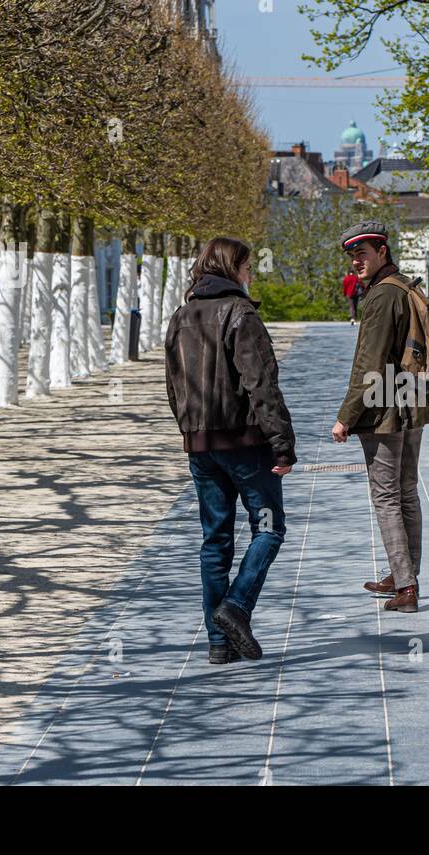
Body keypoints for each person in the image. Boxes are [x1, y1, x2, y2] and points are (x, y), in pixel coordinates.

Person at [164, 236, 295, 664]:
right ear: (231, 268)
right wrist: (282, 445)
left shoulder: (181, 317)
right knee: (269, 529)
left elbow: (173, 387)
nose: (250, 274)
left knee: (215, 541)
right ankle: (235, 607)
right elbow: (261, 384)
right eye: (247, 267)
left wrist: (191, 432)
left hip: (201, 447)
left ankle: (218, 644)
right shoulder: (240, 312)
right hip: (246, 442)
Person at [333, 221, 429, 613]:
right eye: (352, 255)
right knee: (406, 491)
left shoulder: (381, 296)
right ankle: (403, 574)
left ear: (382, 251)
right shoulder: (407, 286)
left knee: (386, 496)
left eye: (363, 253)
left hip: (385, 410)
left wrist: (346, 416)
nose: (356, 261)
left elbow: (369, 363)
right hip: (414, 402)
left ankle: (405, 586)